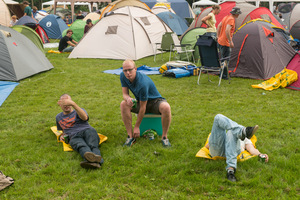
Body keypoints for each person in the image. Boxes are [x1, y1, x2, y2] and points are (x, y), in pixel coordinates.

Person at [120, 59, 172, 147]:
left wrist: (137, 126)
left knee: (166, 107)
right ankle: (130, 136)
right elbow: (125, 94)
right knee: (123, 104)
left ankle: (164, 137)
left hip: (155, 102)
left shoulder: (142, 83)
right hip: (141, 101)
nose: (128, 73)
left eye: (130, 70)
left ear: (135, 69)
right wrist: (128, 98)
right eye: (125, 70)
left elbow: (143, 107)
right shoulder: (123, 76)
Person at [205, 114, 269, 182]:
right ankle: (243, 131)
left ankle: (230, 170)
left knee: (231, 132)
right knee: (218, 117)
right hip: (218, 151)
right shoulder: (225, 134)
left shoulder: (245, 138)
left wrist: (260, 154)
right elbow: (208, 146)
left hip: (234, 151)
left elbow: (251, 149)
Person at [56, 94, 104, 169]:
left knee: (92, 144)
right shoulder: (58, 117)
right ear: (60, 104)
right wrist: (62, 135)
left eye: (68, 102)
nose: (66, 105)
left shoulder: (79, 110)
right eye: (64, 103)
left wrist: (74, 104)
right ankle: (96, 162)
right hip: (73, 136)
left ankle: (91, 162)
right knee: (81, 146)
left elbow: (85, 118)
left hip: (87, 130)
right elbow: (62, 130)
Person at [217, 7, 241, 79]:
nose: (239, 15)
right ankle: (224, 75)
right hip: (225, 42)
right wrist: (230, 41)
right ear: (236, 14)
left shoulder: (226, 17)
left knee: (223, 58)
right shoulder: (231, 19)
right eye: (238, 14)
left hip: (220, 41)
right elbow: (227, 30)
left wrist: (218, 36)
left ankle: (222, 73)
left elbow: (219, 26)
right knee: (226, 59)